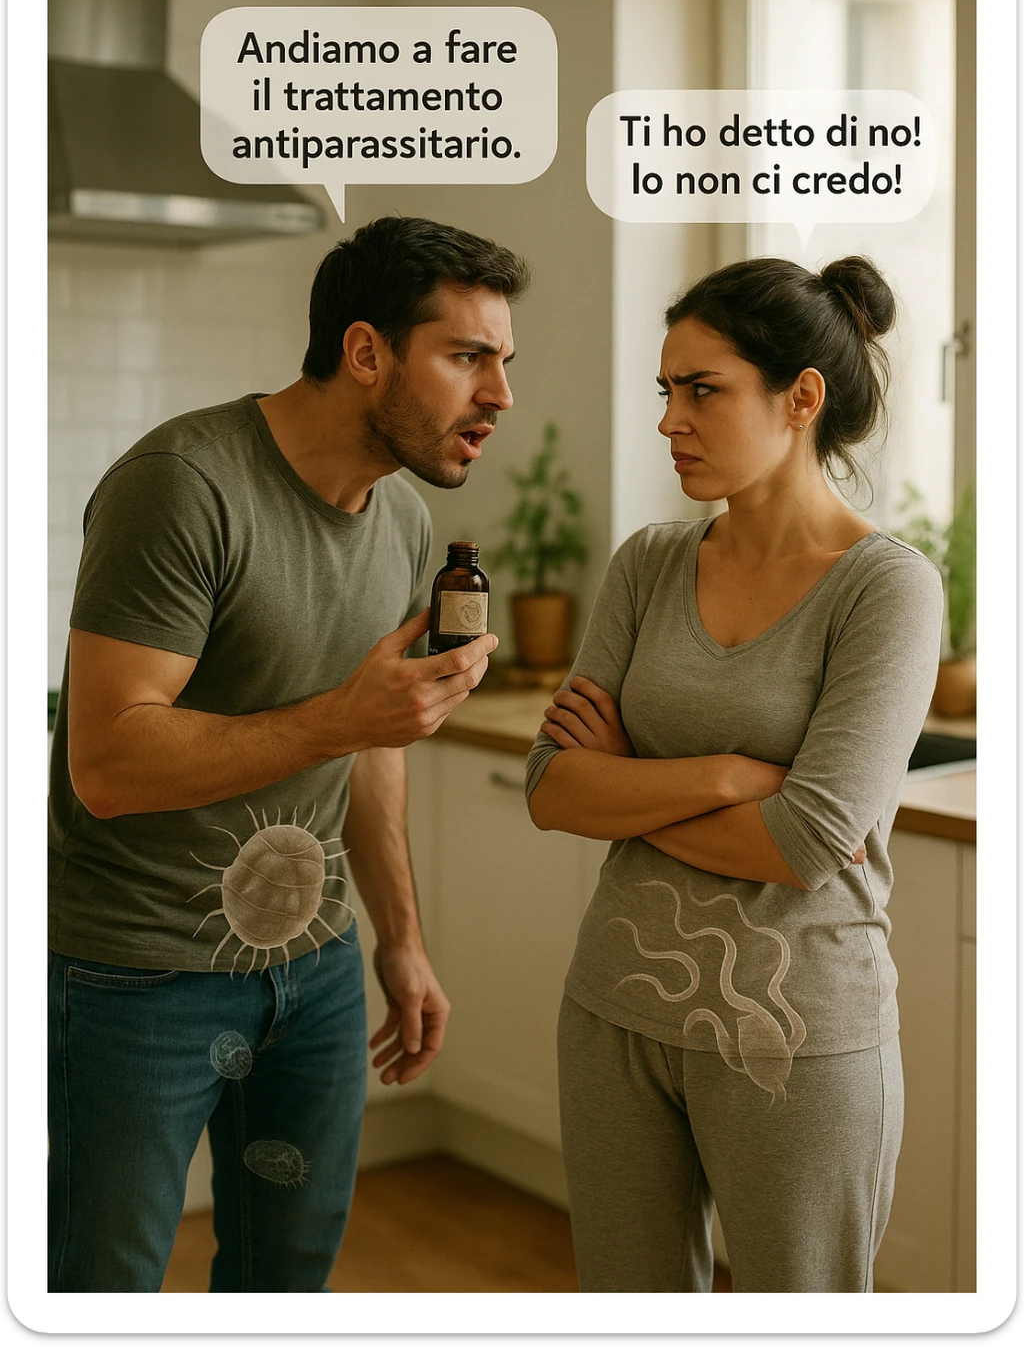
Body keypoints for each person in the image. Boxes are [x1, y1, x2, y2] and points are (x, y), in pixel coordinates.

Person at [48, 215, 529, 1293]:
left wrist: (399, 941)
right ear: (366, 352)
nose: (498, 396)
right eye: (467, 358)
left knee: (285, 1280)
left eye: (503, 364)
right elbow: (109, 765)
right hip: (137, 976)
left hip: (310, 979)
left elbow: (375, 739)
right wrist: (345, 720)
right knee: (100, 1280)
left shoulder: (402, 524)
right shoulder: (184, 485)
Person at [525, 255, 944, 1293]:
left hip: (796, 1034)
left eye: (700, 389)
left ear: (799, 397)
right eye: (666, 390)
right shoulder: (649, 561)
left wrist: (625, 781)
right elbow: (551, 788)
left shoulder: (885, 590)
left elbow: (803, 845)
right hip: (614, 1010)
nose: (670, 418)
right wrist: (722, 775)